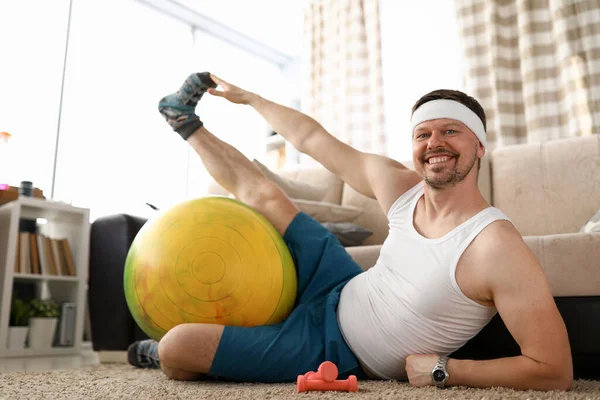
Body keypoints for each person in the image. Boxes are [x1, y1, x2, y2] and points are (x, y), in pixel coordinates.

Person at [127, 72, 573, 391]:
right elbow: (313, 140)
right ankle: (182, 119)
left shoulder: (495, 246)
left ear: (479, 145)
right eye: (423, 134)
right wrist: (252, 99)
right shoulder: (400, 187)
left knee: (179, 346)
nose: (434, 142)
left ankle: (159, 352)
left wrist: (446, 370)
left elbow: (554, 370)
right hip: (340, 282)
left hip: (334, 349)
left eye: (450, 131)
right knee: (266, 197)